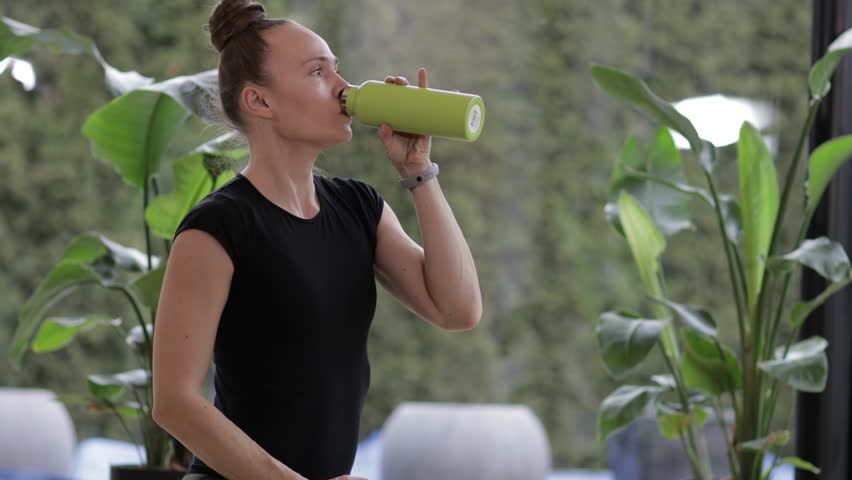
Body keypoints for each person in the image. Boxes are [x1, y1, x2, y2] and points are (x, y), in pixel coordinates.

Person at [150, 0, 482, 479]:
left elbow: (458, 309)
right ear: (259, 101)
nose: (344, 88)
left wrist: (418, 171)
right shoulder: (217, 229)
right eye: (317, 73)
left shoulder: (359, 209)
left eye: (337, 70)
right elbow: (174, 404)